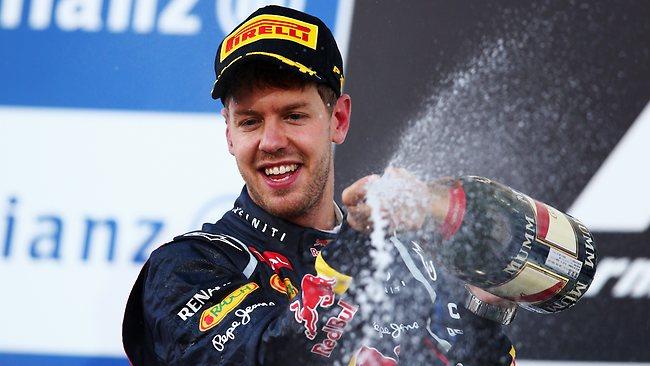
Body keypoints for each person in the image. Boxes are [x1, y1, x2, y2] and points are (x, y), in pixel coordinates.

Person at [122, 5, 517, 365]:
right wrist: (358, 244)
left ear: (338, 120)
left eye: (294, 116)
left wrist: (484, 309)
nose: (272, 141)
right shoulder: (187, 267)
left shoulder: (409, 261)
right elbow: (269, 355)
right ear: (229, 134)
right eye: (249, 121)